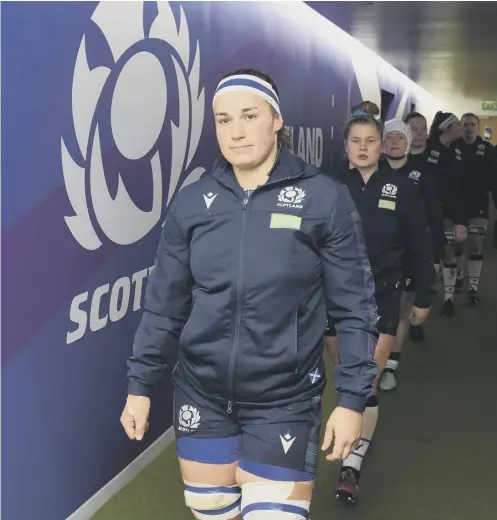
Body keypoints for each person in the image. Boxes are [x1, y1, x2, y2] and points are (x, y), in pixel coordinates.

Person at [120, 68, 379, 520]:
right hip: (201, 396)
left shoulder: (324, 199)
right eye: (223, 120)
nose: (236, 132)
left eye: (249, 115)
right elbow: (164, 305)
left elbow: (355, 308)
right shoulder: (192, 204)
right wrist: (140, 385)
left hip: (286, 401)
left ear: (276, 120)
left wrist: (353, 398)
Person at [324, 114, 435, 503]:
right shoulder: (331, 188)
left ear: (381, 145)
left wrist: (424, 295)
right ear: (346, 147)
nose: (363, 147)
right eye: (356, 141)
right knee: (344, 374)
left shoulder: (402, 189)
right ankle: (347, 430)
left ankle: (350, 468)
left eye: (371, 140)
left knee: (365, 382)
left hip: (382, 296)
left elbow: (419, 246)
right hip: (334, 298)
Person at [379, 120, 443, 392]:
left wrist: (436, 256)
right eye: (388, 137)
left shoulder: (422, 175)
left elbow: (435, 219)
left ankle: (390, 367)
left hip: (410, 256)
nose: (394, 142)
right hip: (378, 256)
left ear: (408, 142)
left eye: (399, 137)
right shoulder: (373, 172)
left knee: (401, 312)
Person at [425, 111, 468, 317]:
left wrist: (459, 218)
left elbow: (457, 187)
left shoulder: (455, 151)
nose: (461, 128)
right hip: (428, 212)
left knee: (449, 251)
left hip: (448, 212)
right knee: (431, 255)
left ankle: (448, 298)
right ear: (448, 128)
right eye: (458, 125)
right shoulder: (429, 149)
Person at [451, 113, 495, 305]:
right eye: (465, 124)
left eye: (472, 124)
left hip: (479, 203)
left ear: (477, 127)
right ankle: (459, 274)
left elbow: (494, 177)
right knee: (459, 242)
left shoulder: (487, 149)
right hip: (457, 204)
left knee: (476, 243)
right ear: (460, 126)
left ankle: (473, 288)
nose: (469, 127)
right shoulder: (453, 147)